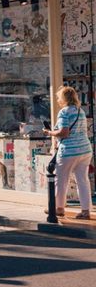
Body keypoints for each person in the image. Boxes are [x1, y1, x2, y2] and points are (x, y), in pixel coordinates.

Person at [44, 85, 92, 219]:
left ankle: (59, 208)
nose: (58, 100)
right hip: (85, 149)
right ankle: (86, 211)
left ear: (63, 98)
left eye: (59, 97)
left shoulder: (64, 112)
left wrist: (50, 132)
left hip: (69, 151)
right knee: (83, 180)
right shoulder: (80, 111)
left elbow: (64, 132)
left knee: (61, 179)